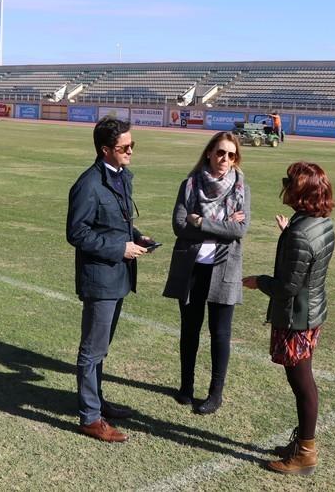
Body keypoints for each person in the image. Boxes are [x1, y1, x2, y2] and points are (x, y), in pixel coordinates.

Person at [242, 161, 335, 475]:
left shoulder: (300, 233)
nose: (284, 185)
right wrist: (289, 234)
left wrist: (258, 281)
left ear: (301, 192)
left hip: (298, 318)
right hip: (312, 311)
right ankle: (302, 445)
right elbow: (308, 261)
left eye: (289, 182)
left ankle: (306, 453)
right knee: (303, 381)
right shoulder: (320, 222)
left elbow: (287, 287)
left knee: (302, 383)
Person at [67, 116, 154, 443]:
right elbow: (77, 233)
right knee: (92, 349)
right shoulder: (88, 184)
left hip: (118, 275)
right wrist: (120, 248)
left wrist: (137, 236)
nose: (130, 151)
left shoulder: (120, 176)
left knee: (101, 348)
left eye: (132, 145)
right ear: (105, 150)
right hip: (100, 278)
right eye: (124, 147)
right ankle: (90, 417)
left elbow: (115, 222)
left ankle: (97, 401)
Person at [162, 131, 249, 415]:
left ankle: (215, 394)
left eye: (231, 155)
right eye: (221, 152)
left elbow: (240, 230)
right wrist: (223, 223)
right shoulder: (189, 184)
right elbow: (178, 225)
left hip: (225, 268)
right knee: (189, 330)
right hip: (192, 266)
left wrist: (200, 222)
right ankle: (186, 387)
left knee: (220, 333)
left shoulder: (240, 188)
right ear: (209, 152)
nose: (225, 159)